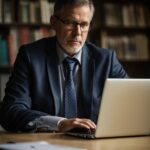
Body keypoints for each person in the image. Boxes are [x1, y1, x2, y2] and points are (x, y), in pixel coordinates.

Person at [0, 0, 128, 132]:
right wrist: (59, 123)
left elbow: (131, 102)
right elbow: (11, 111)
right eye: (70, 23)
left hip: (94, 143)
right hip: (46, 142)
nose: (77, 32)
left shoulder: (106, 60)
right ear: (54, 23)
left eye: (84, 24)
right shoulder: (30, 56)